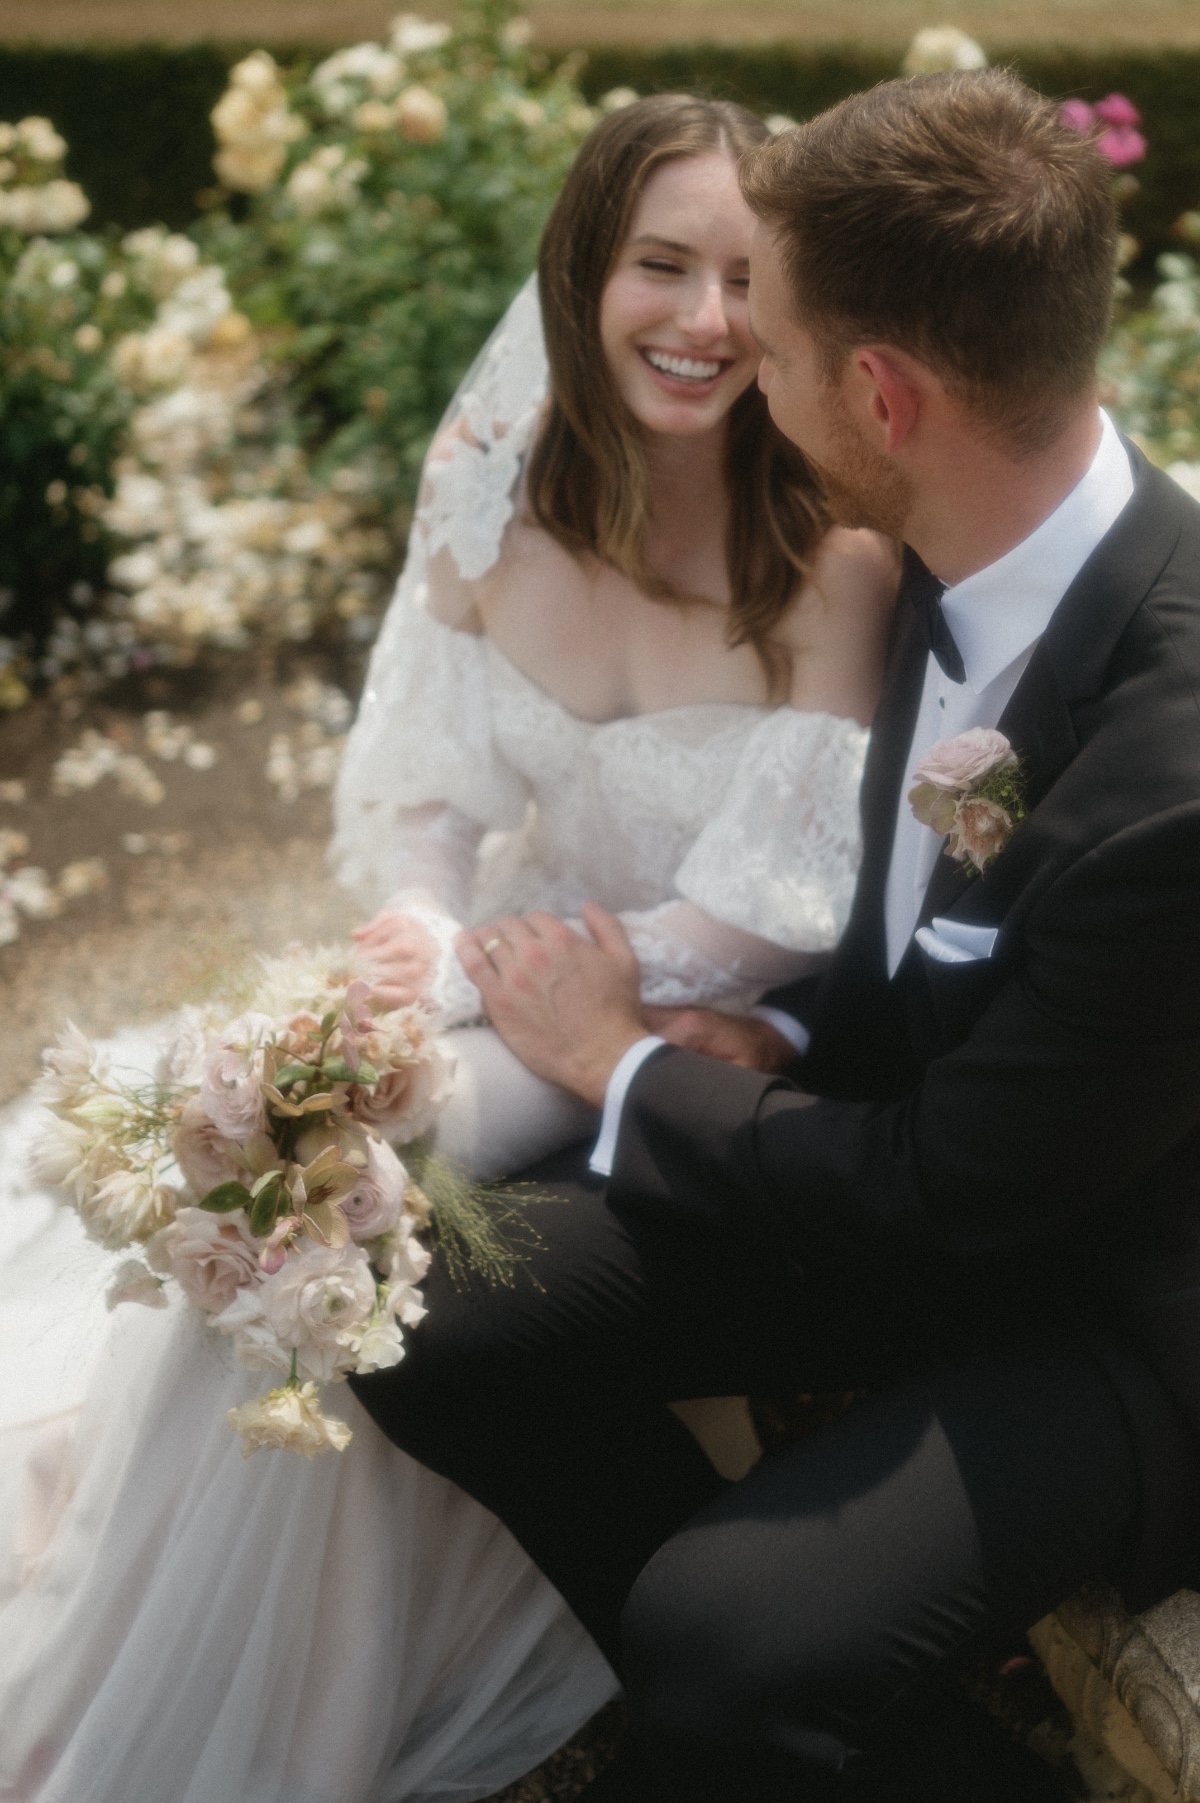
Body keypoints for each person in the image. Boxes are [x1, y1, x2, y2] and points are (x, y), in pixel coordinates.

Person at [0, 96, 897, 1803]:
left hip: (688, 1023)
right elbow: (425, 797)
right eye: (660, 265)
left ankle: (292, 1683)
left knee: (358, 1166)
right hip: (518, 980)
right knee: (281, 1139)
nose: (702, 321)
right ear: (585, 270)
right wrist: (416, 935)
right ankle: (156, 1593)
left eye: (743, 279)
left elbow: (772, 915)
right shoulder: (490, 492)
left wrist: (478, 987)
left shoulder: (832, 555)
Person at [349, 69, 1200, 1803]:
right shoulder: (966, 531)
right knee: (424, 1310)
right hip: (920, 1156)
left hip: (1112, 1296)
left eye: (781, 340)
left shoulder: (1177, 763)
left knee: (718, 1648)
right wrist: (783, 1039)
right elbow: (906, 969)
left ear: (877, 395)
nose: (743, 362)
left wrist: (631, 1063)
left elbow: (952, 1190)